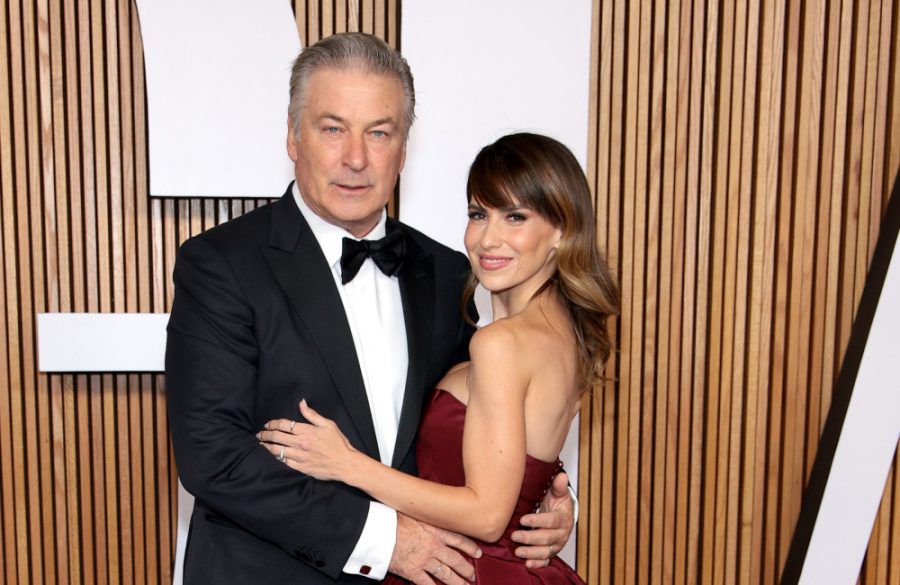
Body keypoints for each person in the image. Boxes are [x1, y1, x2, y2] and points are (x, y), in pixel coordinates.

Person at [165, 34, 574, 585]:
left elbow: (478, 420)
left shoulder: (449, 270)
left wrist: (550, 493)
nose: (356, 158)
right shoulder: (220, 264)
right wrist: (384, 541)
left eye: (379, 133)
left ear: (404, 149)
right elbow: (213, 458)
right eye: (332, 129)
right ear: (292, 136)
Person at [258, 132, 620, 583]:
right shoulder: (564, 335)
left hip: (468, 570)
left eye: (515, 217)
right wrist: (555, 497)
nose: (489, 238)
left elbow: (488, 514)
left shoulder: (500, 344)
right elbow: (524, 459)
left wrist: (347, 463)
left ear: (563, 229)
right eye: (478, 213)